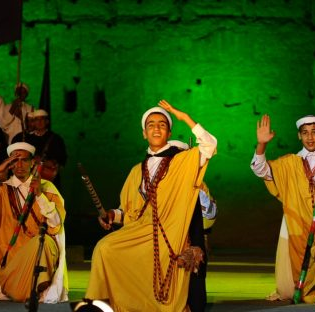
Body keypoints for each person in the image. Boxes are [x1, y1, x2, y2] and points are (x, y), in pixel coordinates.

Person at [86, 100, 217, 311]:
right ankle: (108, 304)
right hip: (141, 229)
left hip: (170, 233)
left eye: (162, 124)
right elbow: (128, 210)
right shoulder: (137, 170)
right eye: (151, 125)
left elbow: (210, 145)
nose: (156, 128)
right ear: (144, 134)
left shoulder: (182, 161)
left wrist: (183, 117)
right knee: (104, 248)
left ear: (169, 131)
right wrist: (112, 214)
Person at [251, 114, 315, 305]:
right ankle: (310, 287)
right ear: (299, 136)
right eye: (305, 133)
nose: (310, 137)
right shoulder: (290, 163)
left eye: (314, 132)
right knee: (295, 291)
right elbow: (260, 169)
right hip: (301, 221)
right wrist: (261, 145)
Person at [0, 142, 68, 303]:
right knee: (19, 295)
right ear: (9, 165)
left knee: (41, 241)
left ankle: (35, 288)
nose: (19, 165)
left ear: (32, 163)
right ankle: (24, 289)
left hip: (41, 249)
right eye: (14, 161)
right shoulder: (1, 190)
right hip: (12, 257)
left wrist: (39, 195)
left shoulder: (47, 187)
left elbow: (56, 222)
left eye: (24, 160)